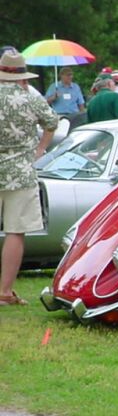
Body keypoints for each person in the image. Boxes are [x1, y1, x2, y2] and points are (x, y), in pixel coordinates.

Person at [0, 51, 59, 306]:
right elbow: (52, 122)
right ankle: (4, 292)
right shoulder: (30, 98)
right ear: (22, 75)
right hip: (21, 172)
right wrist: (39, 149)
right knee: (15, 231)